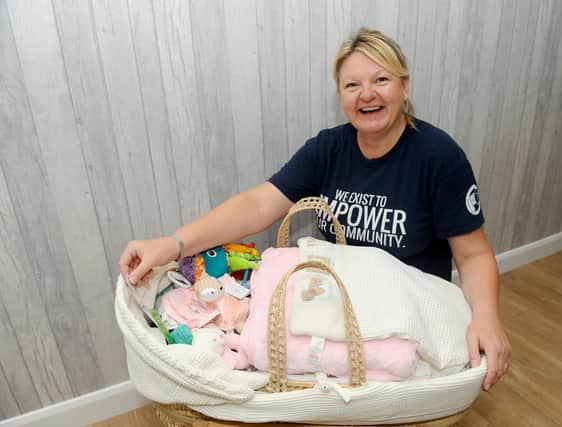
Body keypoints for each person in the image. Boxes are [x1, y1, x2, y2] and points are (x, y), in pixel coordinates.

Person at [119, 28, 511, 391]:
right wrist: (173, 244)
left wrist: (487, 317)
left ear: (404, 86)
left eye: (380, 80)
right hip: (337, 303)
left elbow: (473, 254)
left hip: (402, 314)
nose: (366, 94)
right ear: (340, 95)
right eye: (352, 85)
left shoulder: (439, 157)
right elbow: (258, 205)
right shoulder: (328, 149)